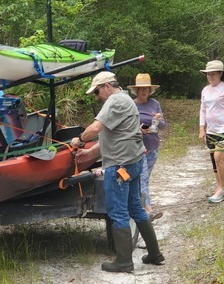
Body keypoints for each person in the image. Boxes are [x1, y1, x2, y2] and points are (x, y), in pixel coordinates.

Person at [70, 71, 164, 273]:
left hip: (120, 165)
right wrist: (92, 152)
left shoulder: (114, 101)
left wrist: (79, 139)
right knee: (136, 207)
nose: (97, 96)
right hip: (133, 161)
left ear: (106, 86)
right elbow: (115, 135)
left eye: (96, 92)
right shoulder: (126, 100)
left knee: (117, 211)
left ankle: (123, 262)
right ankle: (155, 254)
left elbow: (95, 128)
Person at [198, 60, 224, 203]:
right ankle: (219, 187)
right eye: (208, 74)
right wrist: (201, 128)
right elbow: (203, 109)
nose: (210, 76)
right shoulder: (205, 90)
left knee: (219, 158)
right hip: (211, 130)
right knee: (213, 160)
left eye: (213, 74)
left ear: (220, 74)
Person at [127, 73, 166, 222]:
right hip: (138, 147)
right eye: (141, 89)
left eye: (146, 89)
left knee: (145, 178)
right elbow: (126, 126)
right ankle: (148, 210)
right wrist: (138, 129)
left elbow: (162, 126)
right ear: (136, 90)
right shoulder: (131, 104)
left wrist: (158, 119)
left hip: (153, 145)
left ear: (150, 90)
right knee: (142, 178)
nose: (144, 91)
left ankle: (137, 204)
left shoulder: (155, 103)